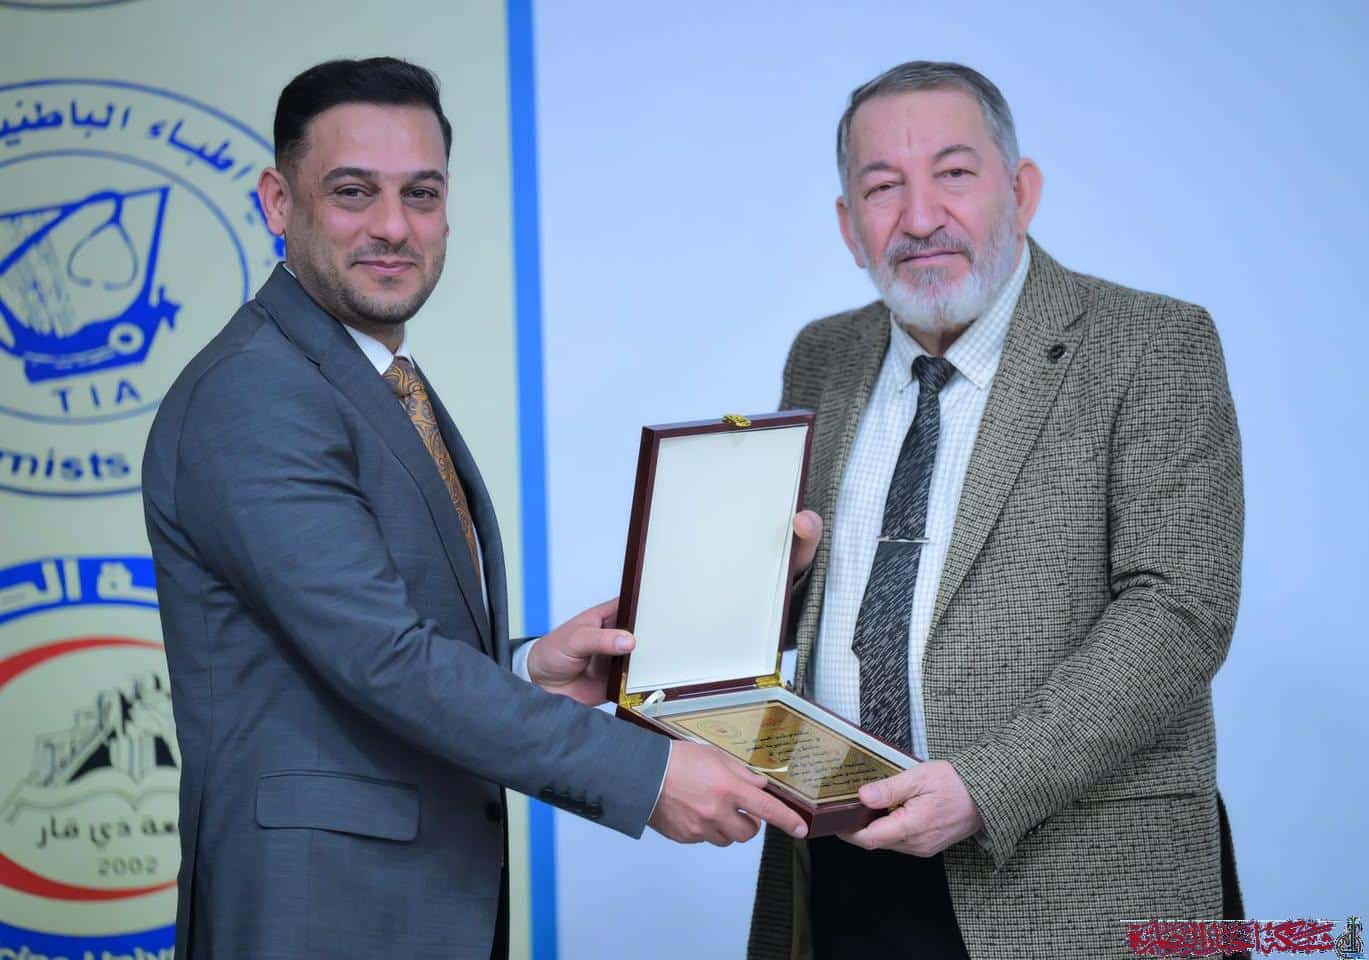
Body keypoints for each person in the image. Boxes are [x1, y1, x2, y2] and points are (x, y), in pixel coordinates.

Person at [142, 56, 807, 960]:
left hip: (405, 905)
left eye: (420, 193)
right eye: (352, 192)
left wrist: (529, 667)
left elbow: (352, 652)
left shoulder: (364, 375)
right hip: (320, 915)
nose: (393, 226)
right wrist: (648, 774)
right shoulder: (256, 393)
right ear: (277, 202)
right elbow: (385, 660)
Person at [748, 61, 1244, 959]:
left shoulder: (1151, 344)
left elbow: (1179, 609)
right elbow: (816, 598)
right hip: (843, 864)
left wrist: (988, 784)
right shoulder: (821, 356)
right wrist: (750, 597)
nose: (919, 216)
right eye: (882, 187)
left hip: (1075, 872)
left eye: (953, 173)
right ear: (849, 226)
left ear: (1021, 191)